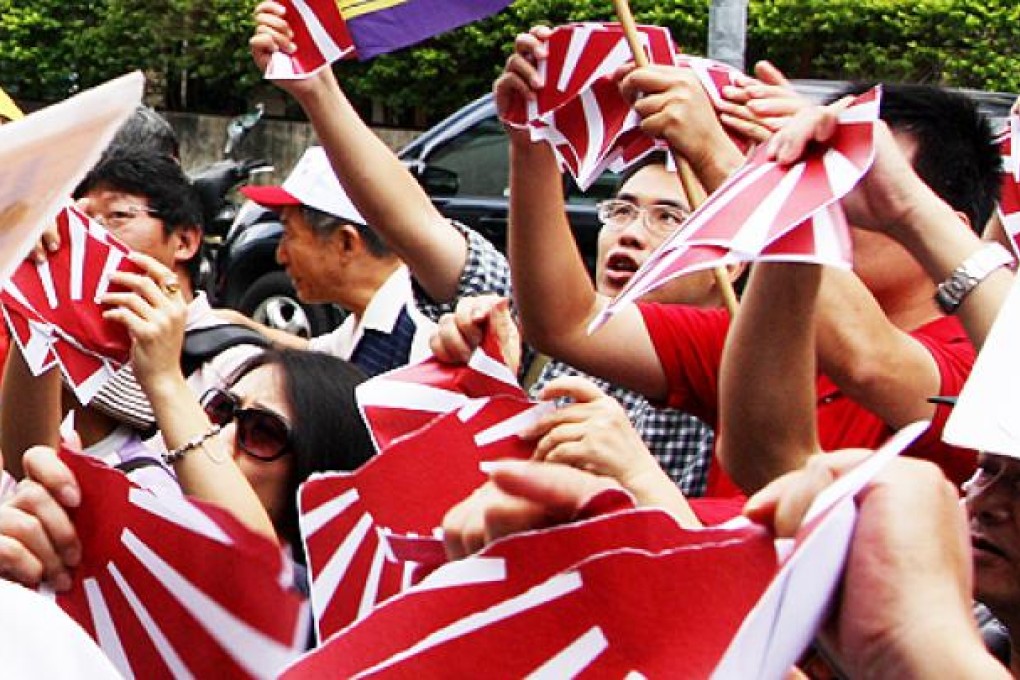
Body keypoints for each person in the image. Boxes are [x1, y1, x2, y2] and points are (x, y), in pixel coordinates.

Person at [249, 6, 745, 495]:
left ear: (735, 255)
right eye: (621, 210)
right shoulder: (531, 324)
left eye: (668, 217)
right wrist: (318, 89)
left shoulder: (751, 371)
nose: (632, 233)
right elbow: (416, 226)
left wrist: (638, 482)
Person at [496, 31, 1000, 496]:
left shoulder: (985, 364)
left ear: (940, 224)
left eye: (860, 183)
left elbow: (867, 359)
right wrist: (533, 140)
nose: (830, 199)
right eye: (827, 174)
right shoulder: (769, 331)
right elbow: (569, 322)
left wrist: (725, 162)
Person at [2, 149, 265, 479]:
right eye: (82, 220)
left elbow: (239, 513)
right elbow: (24, 464)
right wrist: (37, 303)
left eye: (116, 216)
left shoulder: (237, 367)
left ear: (184, 241)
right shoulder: (70, 341)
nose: (92, 236)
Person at [225, 146, 437, 377]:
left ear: (345, 243)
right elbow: (315, 352)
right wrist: (234, 324)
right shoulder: (371, 319)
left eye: (289, 234)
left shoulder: (421, 341)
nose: (280, 255)